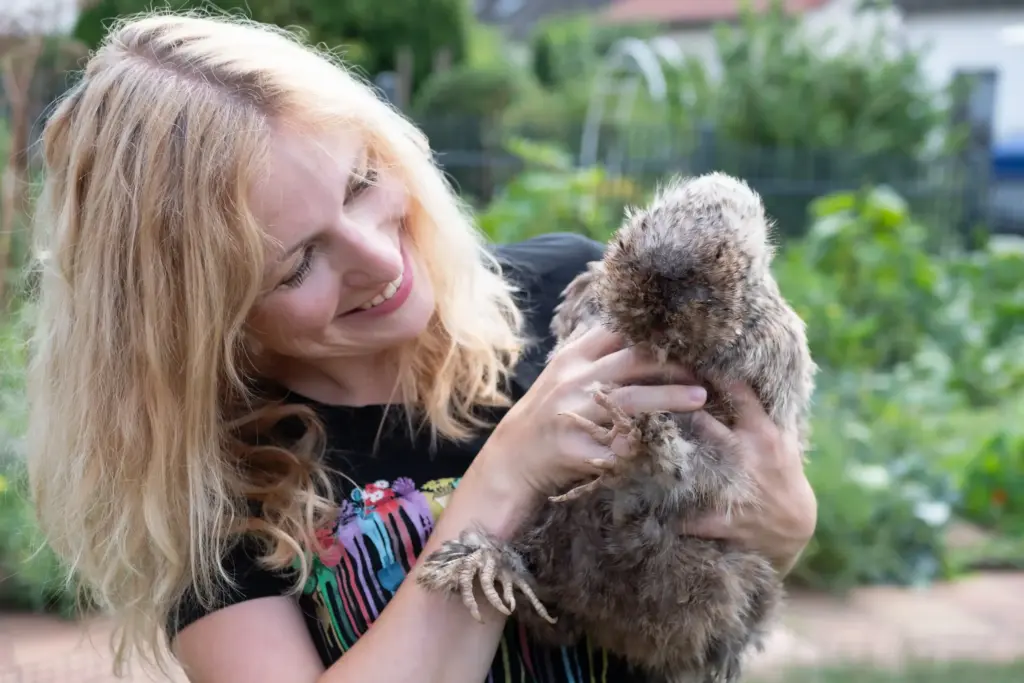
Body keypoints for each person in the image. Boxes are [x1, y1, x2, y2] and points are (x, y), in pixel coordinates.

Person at [25, 11, 817, 683]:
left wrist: (783, 521)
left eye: (362, 183)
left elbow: (740, 543)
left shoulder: (571, 299)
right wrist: (506, 475)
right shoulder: (219, 494)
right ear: (194, 318)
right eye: (298, 262)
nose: (377, 258)